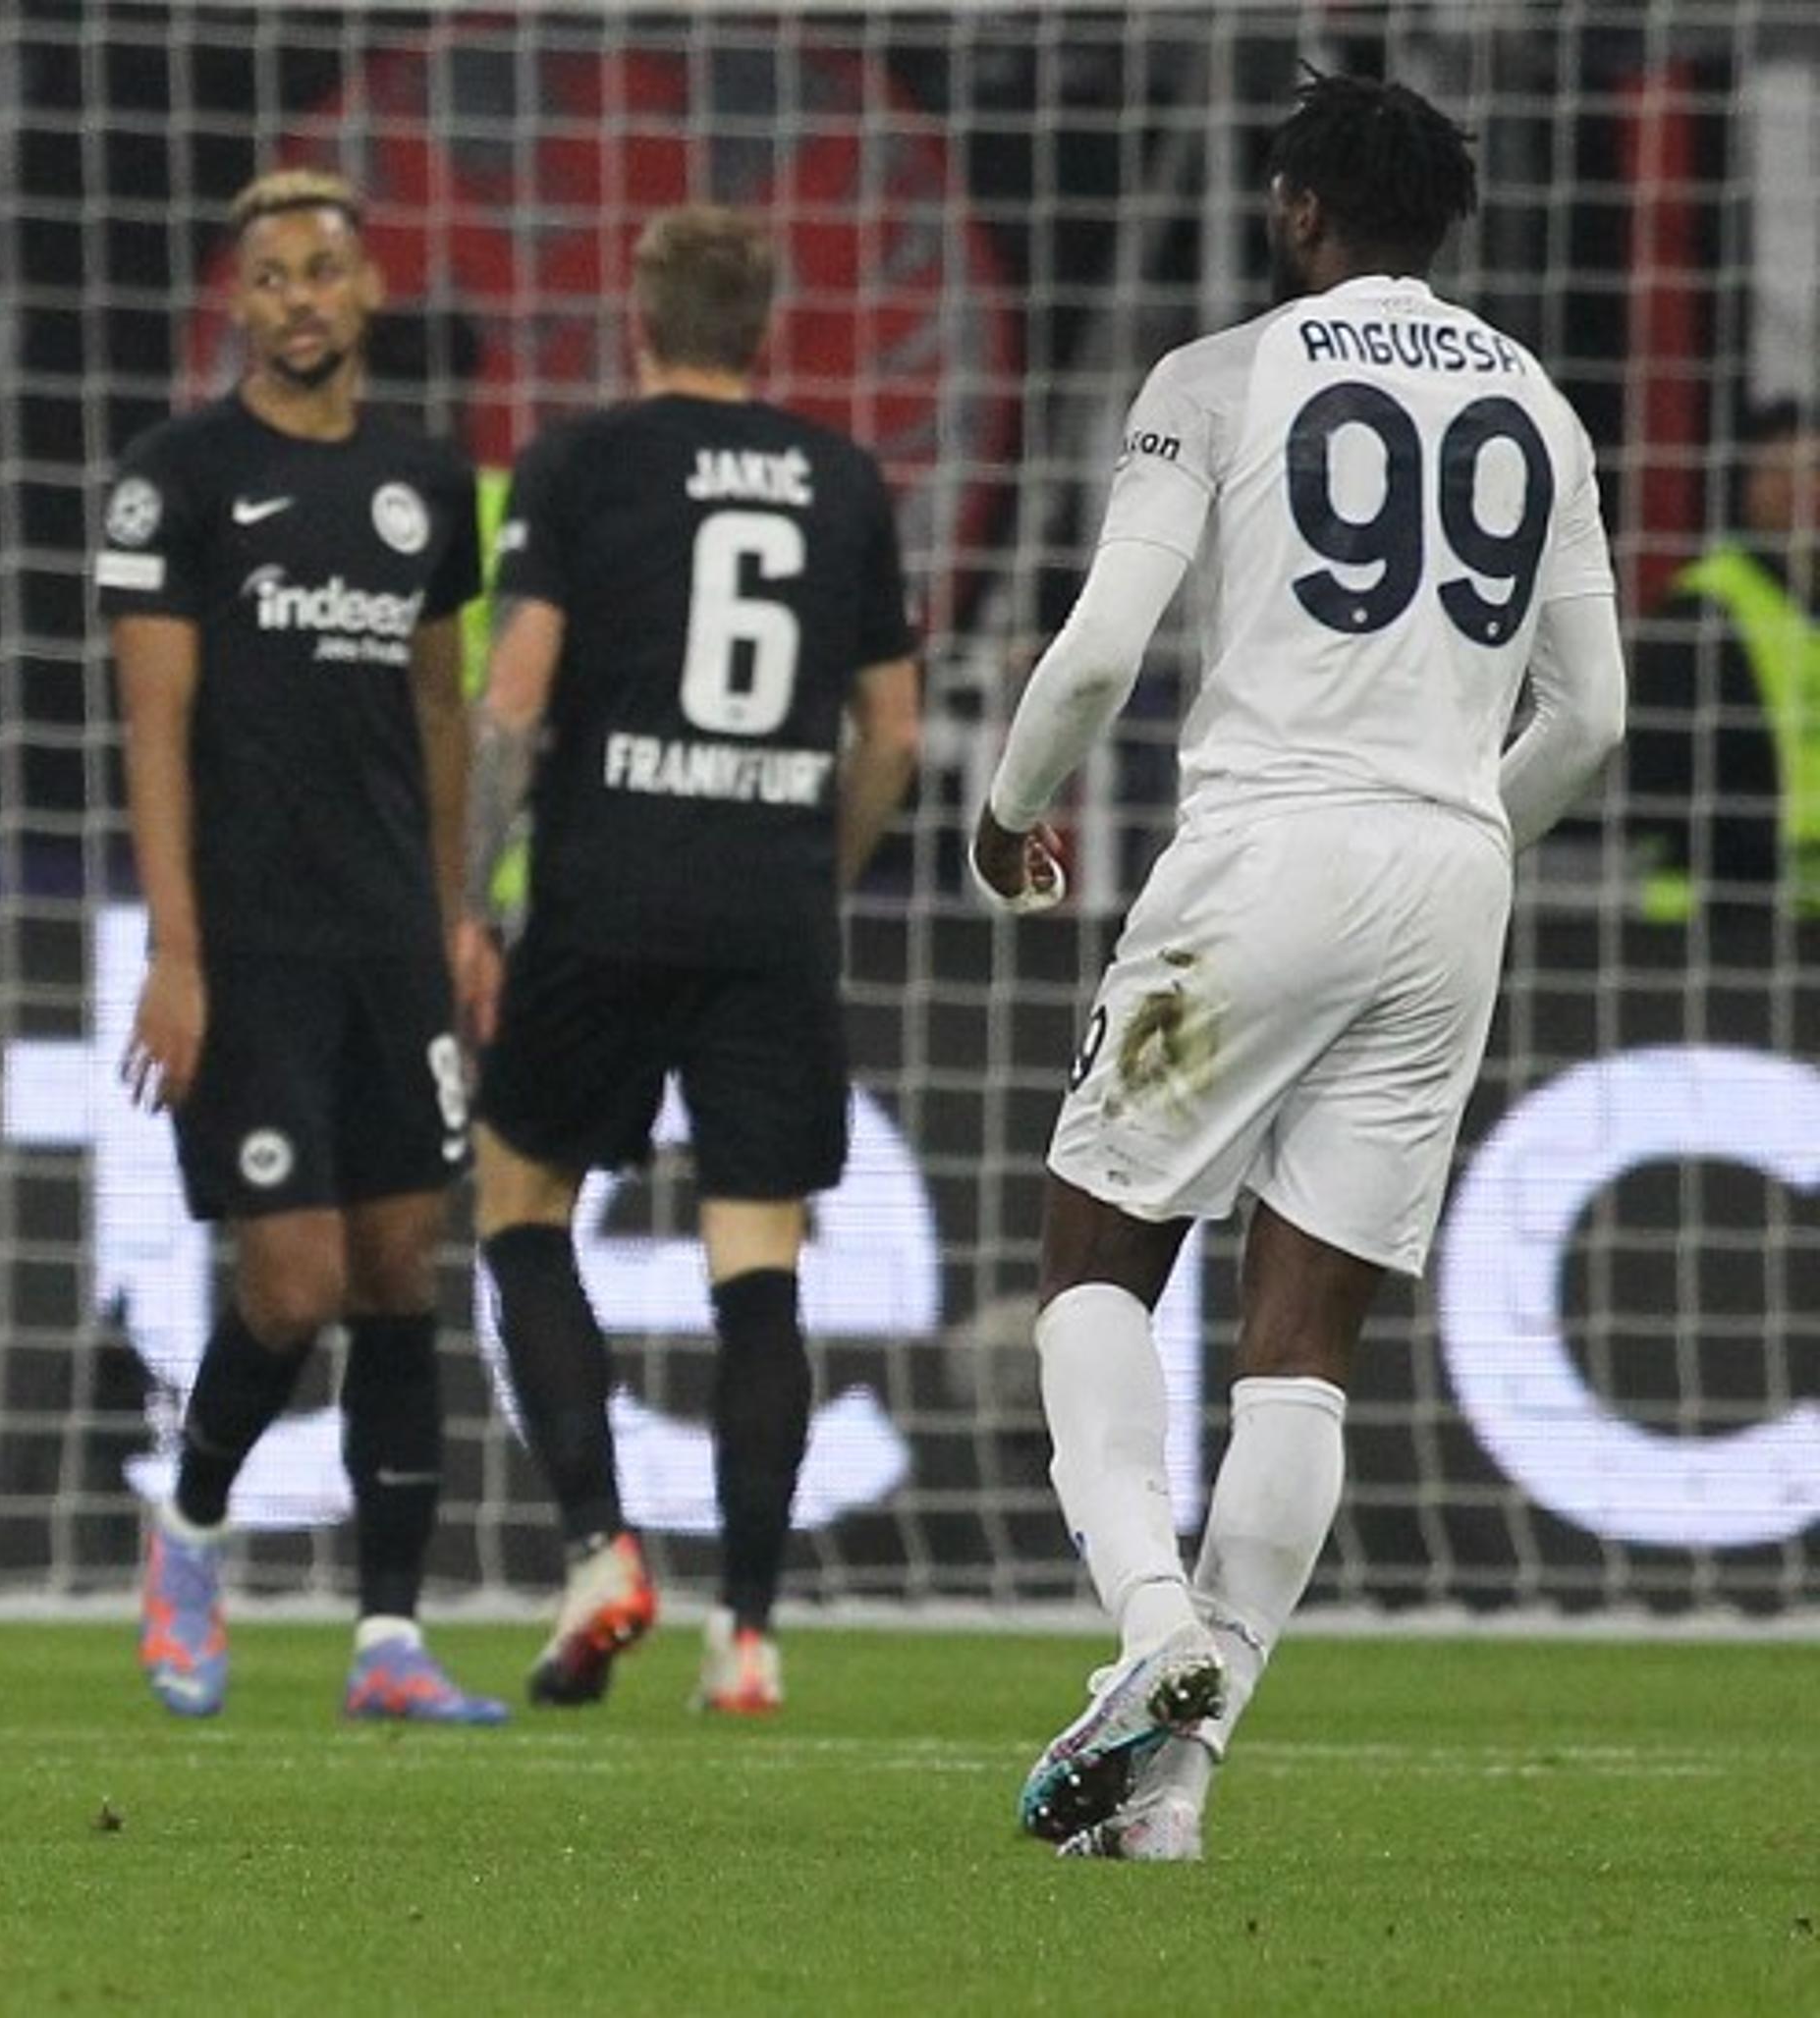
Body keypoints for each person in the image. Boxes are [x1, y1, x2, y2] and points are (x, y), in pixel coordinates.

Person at [970, 72, 1623, 1862]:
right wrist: (1456, 834)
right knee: (1305, 1346)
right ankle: (1171, 1795)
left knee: (1096, 1249)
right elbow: (1596, 717)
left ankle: (1150, 1625)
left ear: (1296, 211)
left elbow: (1103, 651)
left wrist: (1004, 807)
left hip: (1260, 856)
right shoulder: (1544, 410)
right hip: (1452, 879)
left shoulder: (1218, 378)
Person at [466, 205, 924, 1718]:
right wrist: (816, 873)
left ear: (639, 317)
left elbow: (515, 700)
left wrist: (469, 900)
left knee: (521, 1198)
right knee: (758, 1263)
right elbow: (897, 736)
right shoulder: (844, 478)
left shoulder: (582, 461)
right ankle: (750, 1635)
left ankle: (601, 1553)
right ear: (768, 323)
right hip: (765, 912)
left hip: (604, 895)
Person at [99, 169, 500, 1725]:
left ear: (367, 294)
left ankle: (388, 1636)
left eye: (325, 270)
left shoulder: (425, 481)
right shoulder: (176, 477)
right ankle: (189, 1529)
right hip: (248, 945)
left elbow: (442, 704)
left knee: (403, 1273)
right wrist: (175, 951)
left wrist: (459, 909)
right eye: (270, 276)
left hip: (392, 938)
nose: (300, 299)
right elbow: (156, 719)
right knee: (293, 1276)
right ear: (241, 304)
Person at [1627, 401, 1820, 916]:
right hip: (1717, 911)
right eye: (1778, 473)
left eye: (1811, 473)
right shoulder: (1701, 608)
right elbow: (1659, 778)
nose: (1797, 492)